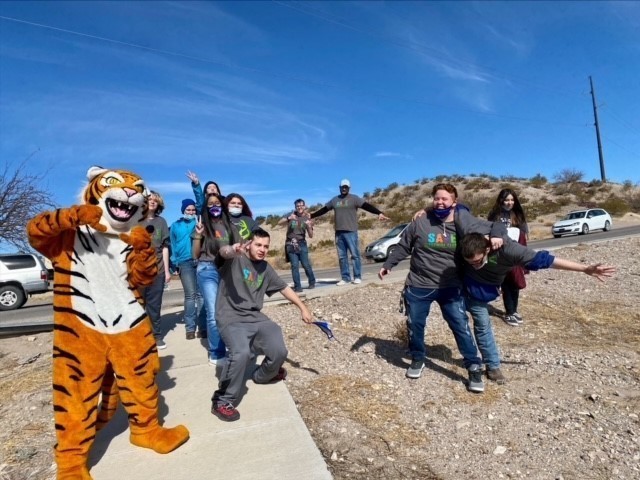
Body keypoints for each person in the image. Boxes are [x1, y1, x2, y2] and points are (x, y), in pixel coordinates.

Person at [378, 183, 506, 393]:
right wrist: (388, 264)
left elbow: (495, 225)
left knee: (460, 327)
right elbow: (403, 246)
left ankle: (473, 367)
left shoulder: (462, 221)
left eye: (445, 199)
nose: (440, 202)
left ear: (454, 202)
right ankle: (418, 359)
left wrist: (498, 235)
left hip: (450, 286)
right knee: (415, 325)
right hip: (419, 285)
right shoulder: (420, 221)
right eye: (437, 198)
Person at [459, 232, 615, 383]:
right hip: (456, 287)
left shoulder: (509, 250)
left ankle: (492, 366)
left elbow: (547, 260)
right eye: (470, 262)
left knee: (482, 327)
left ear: (487, 249)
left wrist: (584, 268)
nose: (474, 265)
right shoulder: (466, 237)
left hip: (478, 294)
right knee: (460, 325)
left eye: (478, 261)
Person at [211, 228, 312, 421]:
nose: (262, 249)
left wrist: (303, 308)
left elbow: (284, 288)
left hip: (255, 316)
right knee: (240, 353)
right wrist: (233, 249)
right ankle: (222, 400)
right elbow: (223, 253)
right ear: (249, 244)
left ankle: (262, 376)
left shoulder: (265, 268)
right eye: (258, 245)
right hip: (230, 317)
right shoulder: (234, 259)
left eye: (266, 246)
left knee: (279, 350)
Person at [310, 179, 389, 285]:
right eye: (342, 187)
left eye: (346, 187)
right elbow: (324, 209)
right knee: (342, 257)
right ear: (339, 188)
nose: (344, 189)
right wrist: (311, 215)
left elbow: (366, 206)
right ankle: (345, 278)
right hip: (339, 233)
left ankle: (357, 277)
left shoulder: (354, 198)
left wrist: (379, 213)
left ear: (349, 188)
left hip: (351, 232)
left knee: (355, 255)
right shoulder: (335, 200)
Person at [192, 193, 237, 365]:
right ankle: (216, 354)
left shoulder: (229, 225)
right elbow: (195, 254)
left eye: (217, 203)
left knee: (227, 311)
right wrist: (198, 235)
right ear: (206, 207)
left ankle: (230, 345)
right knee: (213, 313)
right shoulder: (202, 225)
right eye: (210, 204)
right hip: (207, 269)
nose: (214, 206)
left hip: (226, 270)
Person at [487, 189, 529, 326]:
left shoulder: (518, 214)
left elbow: (524, 235)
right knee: (506, 283)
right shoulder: (495, 215)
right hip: (501, 254)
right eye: (506, 200)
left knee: (516, 282)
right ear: (501, 200)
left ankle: (514, 310)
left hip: (516, 253)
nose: (509, 202)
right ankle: (509, 312)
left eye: (512, 200)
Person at [170, 199, 207, 340]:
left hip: (199, 261)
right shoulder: (175, 225)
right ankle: (190, 328)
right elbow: (172, 244)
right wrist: (174, 263)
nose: (191, 212)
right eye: (188, 210)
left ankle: (203, 328)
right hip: (184, 262)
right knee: (190, 295)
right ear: (183, 210)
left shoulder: (198, 223)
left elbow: (201, 202)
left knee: (201, 295)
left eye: (193, 210)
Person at [140, 190, 171, 350]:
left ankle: (156, 336)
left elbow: (165, 248)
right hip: (138, 271)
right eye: (149, 199)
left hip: (157, 270)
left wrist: (166, 271)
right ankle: (138, 336)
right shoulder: (135, 220)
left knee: (154, 306)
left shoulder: (161, 222)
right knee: (137, 306)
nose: (152, 202)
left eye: (155, 200)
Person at [283, 199, 316, 292]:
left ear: (304, 206)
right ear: (295, 207)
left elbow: (311, 235)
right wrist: (288, 218)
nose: (299, 207)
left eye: (301, 205)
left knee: (306, 264)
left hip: (302, 243)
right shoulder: (291, 215)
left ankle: (312, 282)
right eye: (297, 206)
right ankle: (298, 287)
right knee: (294, 266)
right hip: (290, 243)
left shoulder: (307, 218)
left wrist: (309, 226)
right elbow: (279, 222)